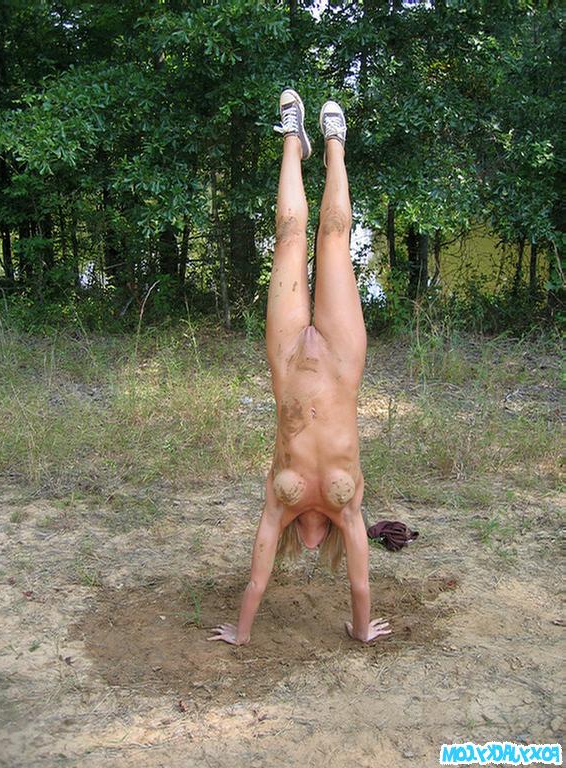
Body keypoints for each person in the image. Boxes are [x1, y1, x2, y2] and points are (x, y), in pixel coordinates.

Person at [209, 89, 391, 646]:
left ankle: (292, 135)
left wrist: (242, 633)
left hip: (288, 359)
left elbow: (256, 576)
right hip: (340, 360)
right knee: (333, 238)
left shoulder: (278, 504)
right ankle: (335, 144)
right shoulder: (350, 510)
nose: (310, 545)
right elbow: (361, 586)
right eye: (317, 547)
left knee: (288, 237)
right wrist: (361, 631)